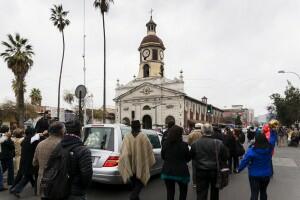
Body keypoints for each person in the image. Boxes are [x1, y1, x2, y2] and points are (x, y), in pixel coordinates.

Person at [118, 120, 156, 200]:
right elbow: (149, 150)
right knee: (137, 188)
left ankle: (134, 197)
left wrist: (127, 161)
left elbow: (123, 151)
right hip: (141, 167)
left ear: (131, 127)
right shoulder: (143, 137)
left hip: (130, 168)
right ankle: (132, 197)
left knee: (135, 186)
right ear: (139, 127)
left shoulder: (127, 137)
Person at [190, 123, 228, 200]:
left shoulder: (195, 144)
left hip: (201, 171)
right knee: (214, 192)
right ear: (212, 131)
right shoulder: (219, 143)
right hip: (215, 170)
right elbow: (225, 157)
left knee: (201, 193)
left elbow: (191, 156)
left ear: (202, 131)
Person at [57, 120, 93, 200]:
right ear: (80, 131)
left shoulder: (58, 146)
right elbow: (87, 175)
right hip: (76, 191)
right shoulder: (83, 150)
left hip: (59, 188)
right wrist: (82, 187)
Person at [238, 130, 277, 200]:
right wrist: (273, 131)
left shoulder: (252, 151)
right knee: (263, 191)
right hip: (266, 175)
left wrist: (239, 169)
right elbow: (272, 140)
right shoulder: (269, 149)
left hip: (254, 175)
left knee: (254, 193)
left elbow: (244, 161)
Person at [33, 121, 65, 195]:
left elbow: (34, 162)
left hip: (42, 181)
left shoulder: (40, 144)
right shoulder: (63, 144)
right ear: (62, 131)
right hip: (58, 182)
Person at [161, 125, 191, 200]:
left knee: (170, 192)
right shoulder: (184, 145)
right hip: (181, 172)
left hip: (167, 171)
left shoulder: (165, 144)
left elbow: (163, 156)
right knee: (183, 191)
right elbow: (187, 158)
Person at [10, 127, 38, 198]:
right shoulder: (33, 140)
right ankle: (17, 189)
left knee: (26, 174)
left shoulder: (25, 139)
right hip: (30, 160)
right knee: (27, 176)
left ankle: (33, 184)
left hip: (23, 159)